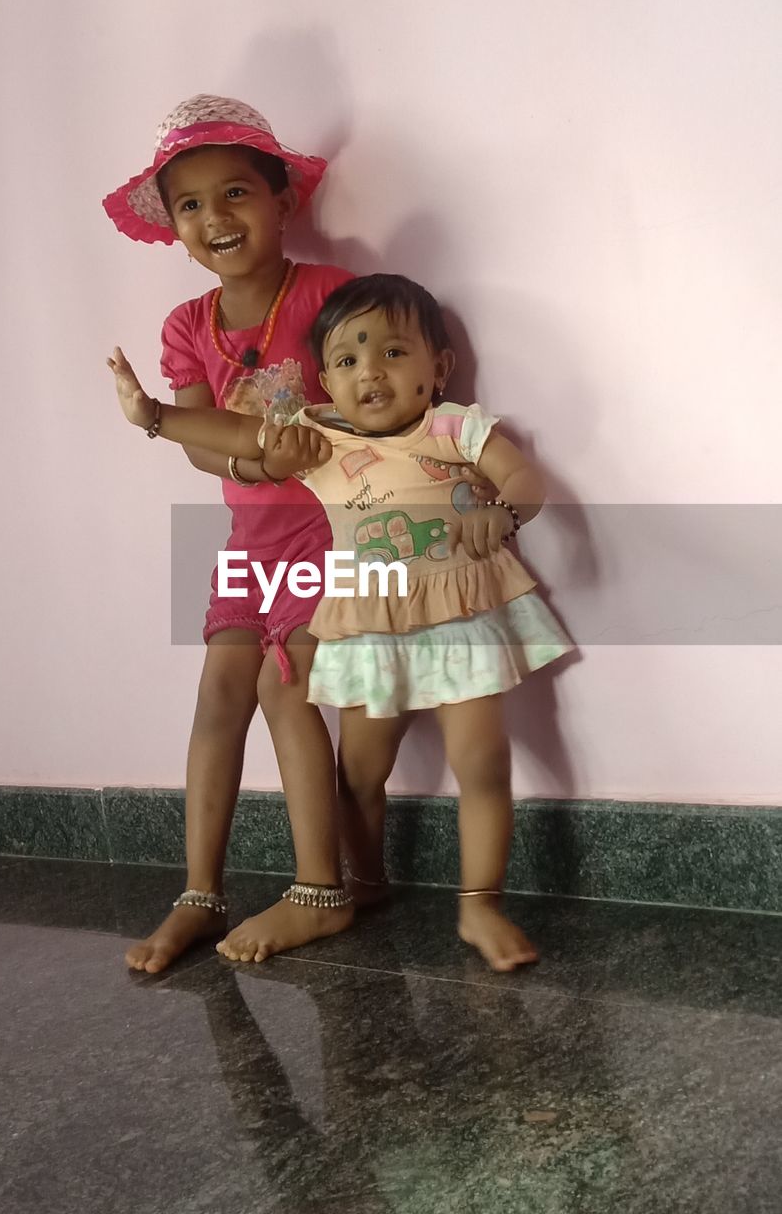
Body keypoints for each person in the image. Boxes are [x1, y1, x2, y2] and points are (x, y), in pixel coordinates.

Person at [109, 273, 573, 970]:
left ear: (437, 367)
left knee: (481, 761)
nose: (371, 372)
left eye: (393, 353)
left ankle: (480, 904)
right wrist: (153, 415)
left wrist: (499, 513)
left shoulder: (455, 428)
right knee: (359, 774)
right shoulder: (318, 441)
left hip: (458, 617)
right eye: (350, 361)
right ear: (325, 378)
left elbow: (525, 480)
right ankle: (366, 881)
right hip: (366, 628)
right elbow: (234, 430)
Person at [104, 94, 357, 969]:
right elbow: (204, 441)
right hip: (251, 543)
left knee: (289, 687)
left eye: (236, 192)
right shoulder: (188, 326)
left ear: (283, 200)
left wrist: (298, 449)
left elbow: (377, 404)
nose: (214, 216)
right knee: (220, 696)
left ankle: (321, 889)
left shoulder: (331, 295)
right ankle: (199, 896)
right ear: (174, 224)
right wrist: (223, 449)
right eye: (190, 203)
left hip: (336, 535)